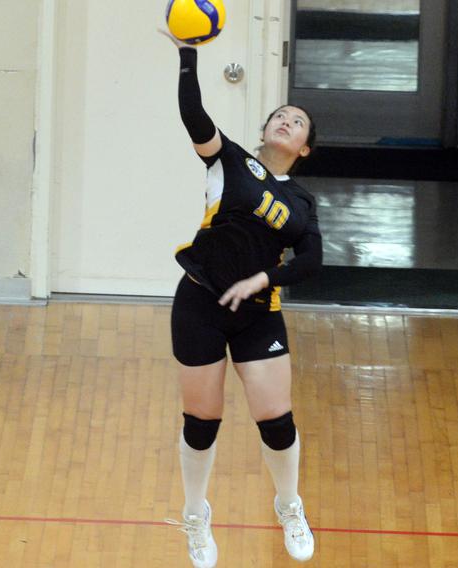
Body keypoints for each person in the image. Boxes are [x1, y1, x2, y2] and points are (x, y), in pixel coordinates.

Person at [162, 31, 322, 568]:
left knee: (275, 420)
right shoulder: (228, 161)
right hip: (201, 302)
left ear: (303, 148)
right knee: (201, 422)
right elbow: (193, 115)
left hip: (257, 315)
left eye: (297, 121)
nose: (286, 120)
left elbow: (312, 262)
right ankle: (195, 514)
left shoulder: (301, 204)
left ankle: (289, 504)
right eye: (280, 114)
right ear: (264, 130)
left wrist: (265, 280)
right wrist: (188, 55)